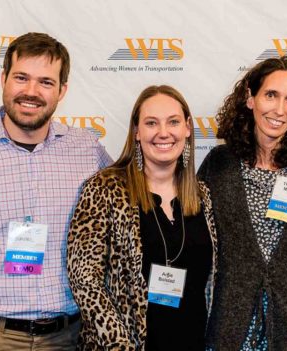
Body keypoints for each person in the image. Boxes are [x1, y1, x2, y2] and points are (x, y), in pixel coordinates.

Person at [0, 32, 112, 350]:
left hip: (67, 337)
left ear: (62, 90)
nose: (31, 92)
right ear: (3, 79)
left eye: (46, 82)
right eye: (21, 77)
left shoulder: (88, 150)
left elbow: (128, 211)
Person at [198, 56, 287, 350]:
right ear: (250, 97)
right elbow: (198, 243)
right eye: (271, 95)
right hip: (232, 328)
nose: (279, 109)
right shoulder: (219, 164)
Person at [67, 85, 217, 350]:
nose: (163, 132)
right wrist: (118, 344)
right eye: (151, 123)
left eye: (173, 122)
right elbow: (84, 280)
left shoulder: (201, 194)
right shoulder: (106, 188)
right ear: (137, 132)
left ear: (187, 128)